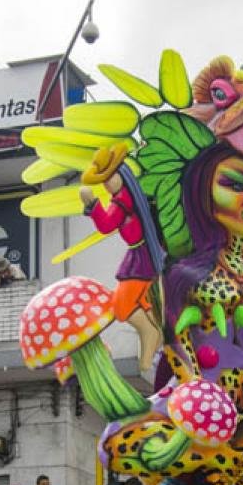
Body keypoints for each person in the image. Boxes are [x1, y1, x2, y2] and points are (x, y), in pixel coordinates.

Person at [80, 144, 165, 370]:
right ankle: (154, 342)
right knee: (143, 303)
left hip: (141, 258)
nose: (106, 185)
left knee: (121, 305)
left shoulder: (123, 199)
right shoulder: (127, 196)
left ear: (121, 174)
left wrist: (92, 204)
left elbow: (107, 225)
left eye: (109, 179)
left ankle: (150, 334)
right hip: (138, 254)